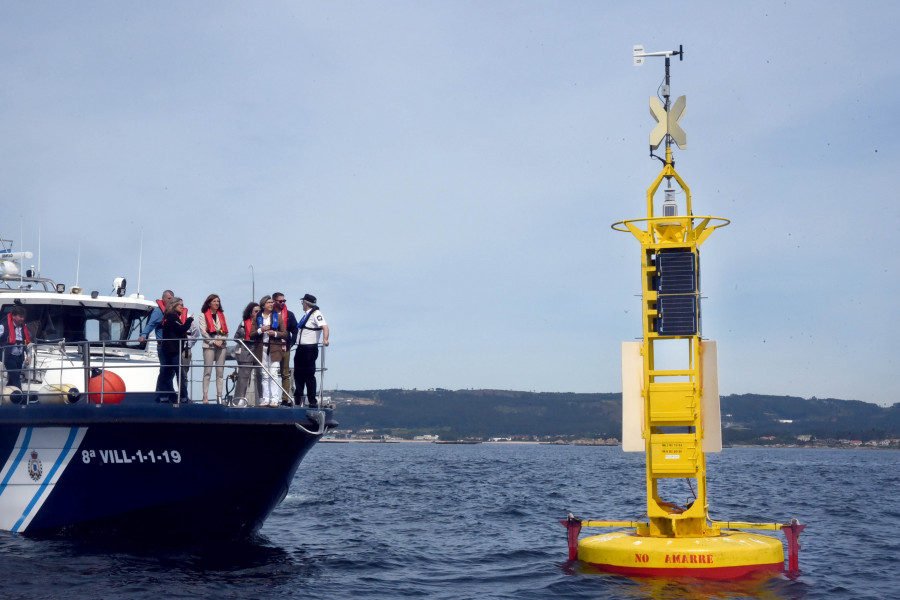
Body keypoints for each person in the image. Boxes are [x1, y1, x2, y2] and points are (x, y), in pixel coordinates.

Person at [293, 293, 329, 408]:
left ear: (306, 303)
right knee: (298, 374)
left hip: (309, 348)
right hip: (301, 348)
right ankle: (297, 399)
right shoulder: (306, 315)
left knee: (309, 374)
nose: (302, 304)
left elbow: (325, 327)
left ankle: (312, 400)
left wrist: (325, 339)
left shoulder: (316, 314)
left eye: (302, 302)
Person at [157, 297, 194, 403]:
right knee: (179, 373)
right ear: (174, 305)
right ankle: (183, 397)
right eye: (181, 305)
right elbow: (182, 329)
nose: (183, 307)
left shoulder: (167, 317)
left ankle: (164, 396)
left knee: (167, 373)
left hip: (167, 349)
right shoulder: (172, 317)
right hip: (173, 350)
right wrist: (189, 320)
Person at [140, 289, 174, 396]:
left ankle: (168, 394)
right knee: (165, 370)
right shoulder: (158, 312)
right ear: (163, 298)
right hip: (163, 346)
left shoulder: (174, 312)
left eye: (172, 299)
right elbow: (150, 324)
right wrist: (143, 335)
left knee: (171, 371)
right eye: (169, 298)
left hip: (172, 346)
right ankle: (162, 394)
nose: (170, 301)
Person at [255, 295, 287, 407]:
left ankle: (274, 399)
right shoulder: (258, 318)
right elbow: (251, 334)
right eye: (268, 302)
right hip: (262, 348)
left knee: (273, 373)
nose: (271, 304)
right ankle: (265, 398)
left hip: (274, 348)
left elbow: (285, 333)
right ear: (263, 305)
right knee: (264, 374)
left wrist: (275, 333)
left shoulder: (277, 317)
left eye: (271, 302)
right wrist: (261, 330)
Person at [199, 294, 229, 403]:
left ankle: (219, 397)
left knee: (220, 372)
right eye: (214, 301)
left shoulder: (222, 315)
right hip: (209, 345)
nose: (217, 303)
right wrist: (213, 341)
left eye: (218, 301)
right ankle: (205, 396)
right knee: (207, 371)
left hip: (221, 345)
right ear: (209, 303)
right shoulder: (203, 315)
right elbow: (203, 331)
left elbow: (226, 331)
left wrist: (222, 340)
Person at [272, 292, 298, 406]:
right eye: (280, 301)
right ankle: (271, 398)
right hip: (272, 347)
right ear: (274, 301)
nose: (282, 303)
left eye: (284, 301)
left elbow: (295, 330)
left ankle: (284, 399)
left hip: (285, 348)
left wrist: (291, 343)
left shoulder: (289, 315)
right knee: (271, 372)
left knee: (285, 373)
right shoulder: (269, 314)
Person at [234, 302, 263, 404]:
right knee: (244, 375)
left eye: (260, 311)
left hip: (258, 349)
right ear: (250, 313)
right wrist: (243, 344)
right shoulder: (243, 324)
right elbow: (236, 337)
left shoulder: (263, 324)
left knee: (260, 374)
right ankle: (240, 399)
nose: (258, 313)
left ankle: (261, 398)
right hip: (246, 350)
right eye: (256, 311)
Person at [0, 306, 32, 389]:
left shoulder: (23, 328)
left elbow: (27, 343)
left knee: (13, 378)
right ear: (13, 316)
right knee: (16, 377)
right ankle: (21, 398)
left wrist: (27, 356)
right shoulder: (3, 326)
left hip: (19, 356)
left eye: (23, 317)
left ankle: (5, 395)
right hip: (8, 356)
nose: (22, 319)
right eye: (20, 316)